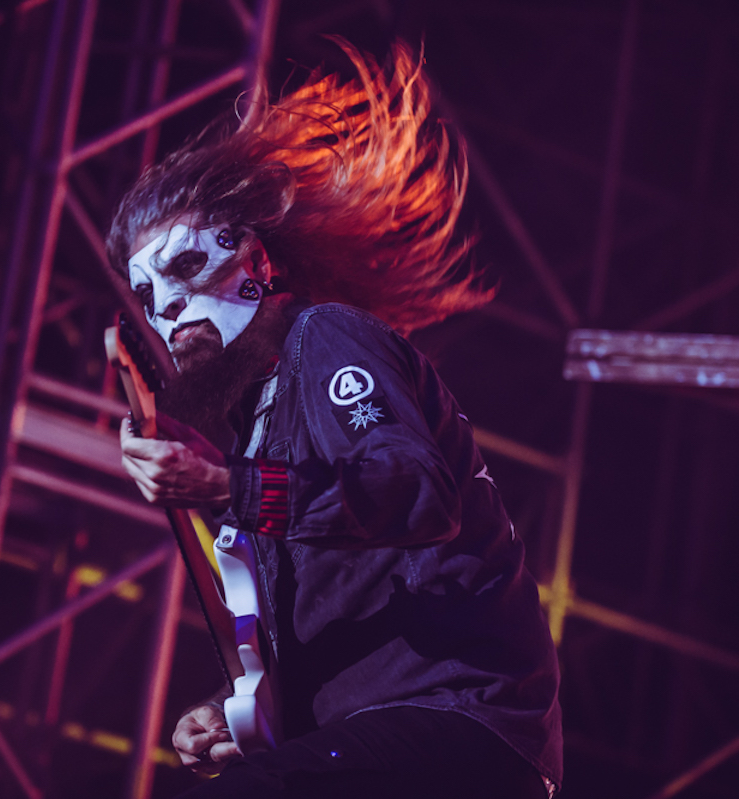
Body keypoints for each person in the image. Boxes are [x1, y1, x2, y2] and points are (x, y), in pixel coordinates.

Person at [108, 40, 563, 798]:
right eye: (148, 297)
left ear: (259, 261)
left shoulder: (325, 336)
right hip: (382, 741)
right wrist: (235, 714)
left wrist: (226, 484)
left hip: (457, 721)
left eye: (185, 266)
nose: (170, 307)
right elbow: (329, 620)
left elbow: (418, 493)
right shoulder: (262, 428)